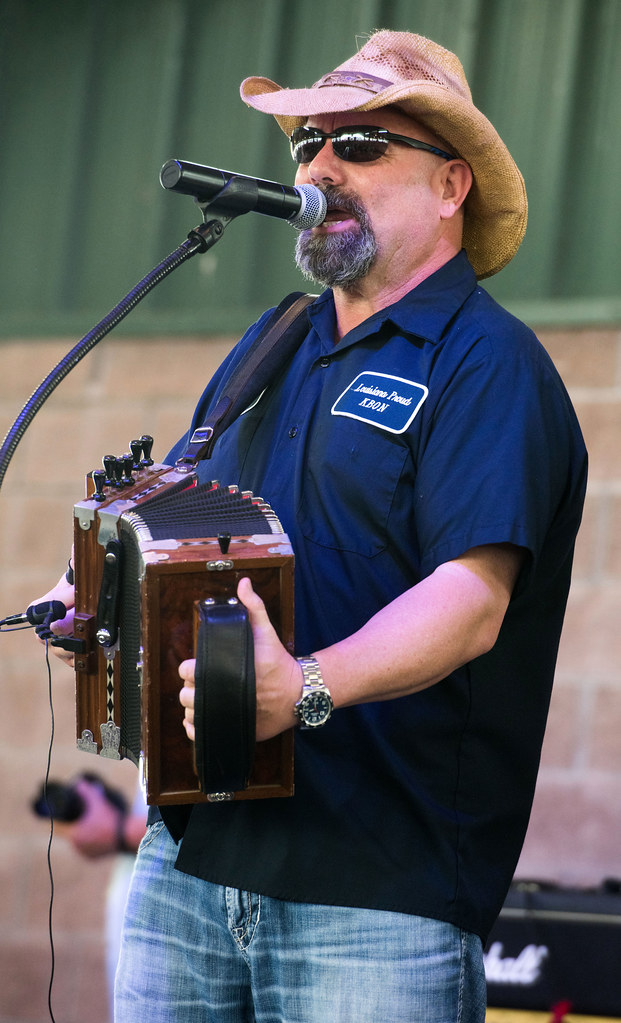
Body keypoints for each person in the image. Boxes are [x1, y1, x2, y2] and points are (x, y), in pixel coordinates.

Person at [41, 29, 587, 1022]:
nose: (320, 166)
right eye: (308, 146)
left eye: (360, 144)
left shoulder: (488, 365)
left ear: (451, 186)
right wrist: (104, 590)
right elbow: (193, 524)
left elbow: (470, 603)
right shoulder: (276, 338)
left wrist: (308, 688)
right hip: (191, 858)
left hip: (372, 895)